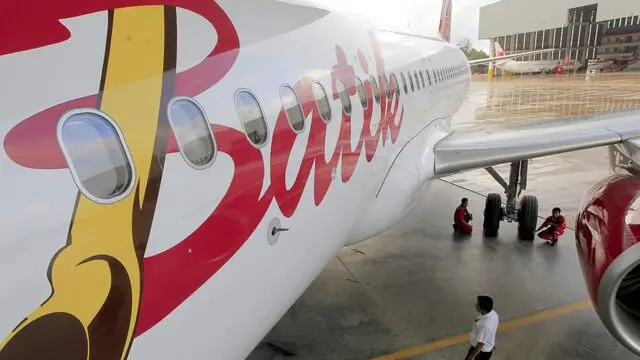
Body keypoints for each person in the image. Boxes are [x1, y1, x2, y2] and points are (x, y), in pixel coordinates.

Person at [465, 295, 499, 360]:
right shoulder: (493, 313)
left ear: (483, 309)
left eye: (477, 304)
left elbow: (480, 344)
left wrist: (471, 357)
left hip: (481, 353)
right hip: (485, 346)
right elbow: (492, 330)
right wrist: (492, 343)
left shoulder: (485, 326)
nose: (476, 305)